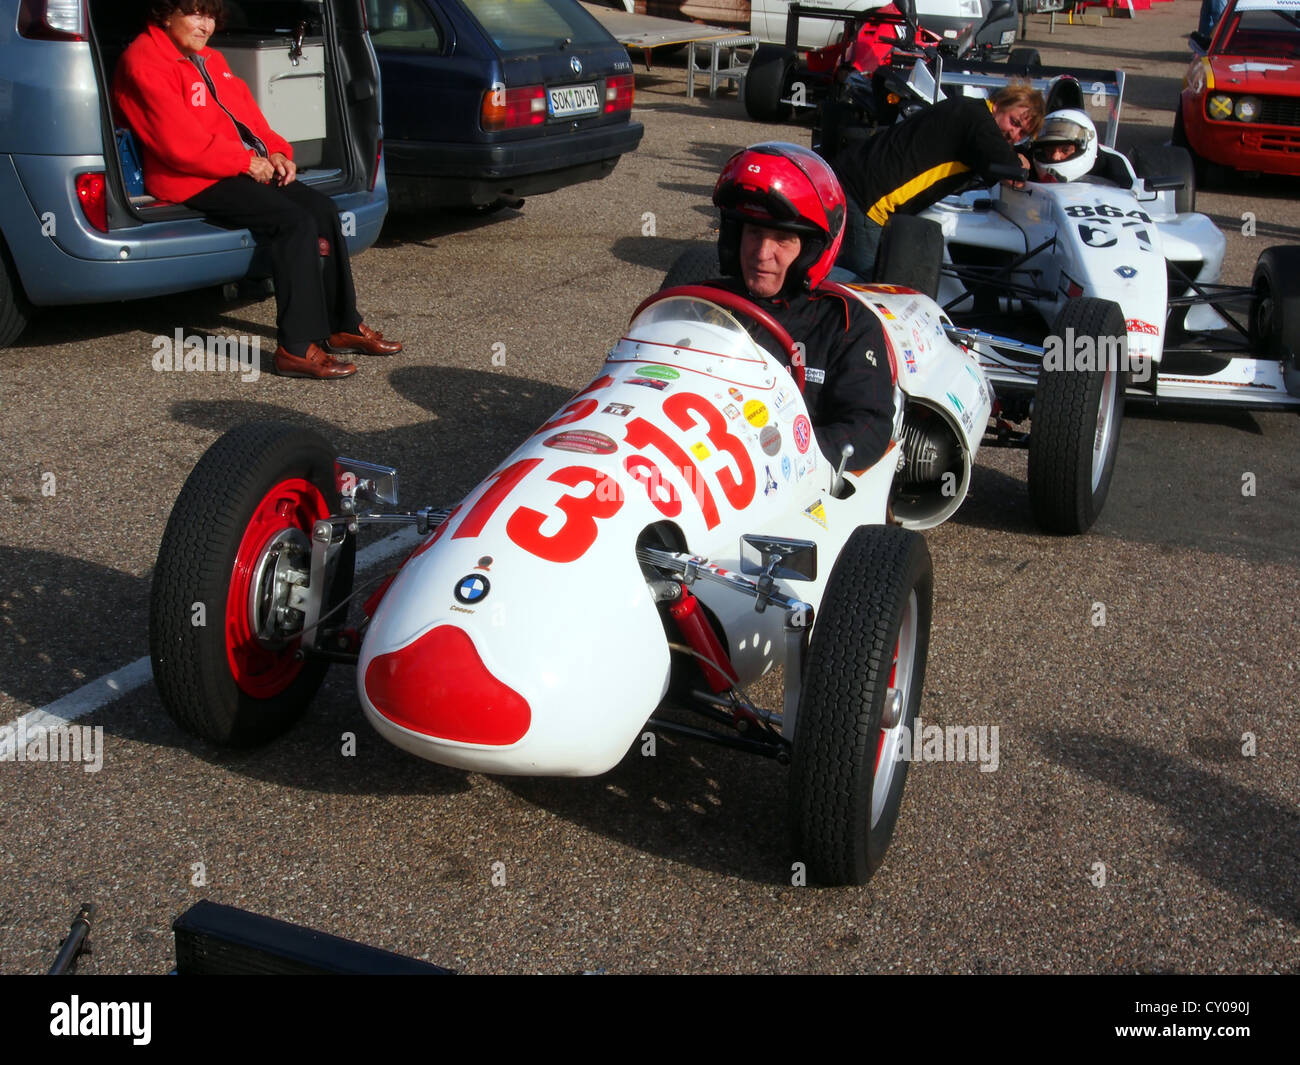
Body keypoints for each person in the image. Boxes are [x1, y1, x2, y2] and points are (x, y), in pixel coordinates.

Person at [113, 0, 402, 380]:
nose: (206, 26)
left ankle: (342, 324)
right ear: (165, 15)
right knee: (293, 222)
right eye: (196, 15)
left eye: (211, 16)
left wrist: (278, 152)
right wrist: (245, 162)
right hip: (188, 177)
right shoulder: (145, 61)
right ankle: (296, 348)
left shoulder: (211, 60)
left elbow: (248, 118)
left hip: (227, 167)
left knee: (323, 210)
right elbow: (177, 145)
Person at [705, 142, 895, 472]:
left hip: (781, 482)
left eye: (782, 239)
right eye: (754, 232)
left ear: (811, 249)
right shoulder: (700, 303)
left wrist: (780, 455)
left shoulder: (846, 324)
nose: (762, 253)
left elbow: (867, 429)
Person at [830, 82, 1046, 280]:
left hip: (848, 178)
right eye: (1014, 122)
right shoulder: (981, 123)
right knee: (866, 287)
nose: (1014, 133)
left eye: (1023, 133)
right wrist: (1023, 163)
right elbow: (1012, 174)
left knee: (835, 261)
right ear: (999, 104)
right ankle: (801, 294)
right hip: (869, 199)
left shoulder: (966, 108)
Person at [1029, 109, 1098, 183]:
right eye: (1049, 150)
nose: (1055, 157)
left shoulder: (1109, 169)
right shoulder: (1027, 167)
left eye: (1065, 150)